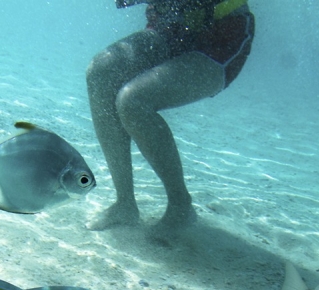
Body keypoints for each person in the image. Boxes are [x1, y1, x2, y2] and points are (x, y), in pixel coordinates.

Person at [86, 0, 254, 231]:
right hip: (168, 29)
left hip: (221, 37)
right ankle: (124, 204)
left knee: (133, 101)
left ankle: (180, 206)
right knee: (100, 72)